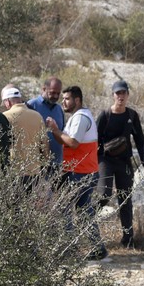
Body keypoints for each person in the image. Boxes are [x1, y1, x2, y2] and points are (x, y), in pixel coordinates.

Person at [44, 85, 108, 260]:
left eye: (67, 99)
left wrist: (56, 130)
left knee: (65, 209)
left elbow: (72, 142)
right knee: (83, 211)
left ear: (77, 100)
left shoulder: (80, 118)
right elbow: (66, 140)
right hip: (80, 170)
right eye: (63, 98)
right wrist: (55, 129)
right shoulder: (77, 117)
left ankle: (69, 250)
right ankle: (96, 248)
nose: (63, 101)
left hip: (80, 172)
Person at [95, 80, 144, 249]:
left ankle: (128, 239)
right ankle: (87, 222)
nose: (121, 96)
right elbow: (94, 141)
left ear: (127, 95)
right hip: (106, 161)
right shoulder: (105, 115)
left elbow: (140, 140)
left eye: (123, 93)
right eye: (117, 93)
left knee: (125, 199)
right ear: (113, 95)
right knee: (104, 194)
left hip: (124, 162)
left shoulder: (132, 116)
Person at [1, 85, 48, 184]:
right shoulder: (37, 116)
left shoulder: (5, 116)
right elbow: (44, 143)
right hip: (34, 171)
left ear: (7, 102)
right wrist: (45, 163)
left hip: (14, 171)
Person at [27, 77, 66, 178]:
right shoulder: (31, 106)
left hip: (56, 164)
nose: (56, 96)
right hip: (36, 164)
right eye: (53, 93)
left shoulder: (59, 109)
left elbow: (61, 133)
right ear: (44, 89)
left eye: (58, 93)